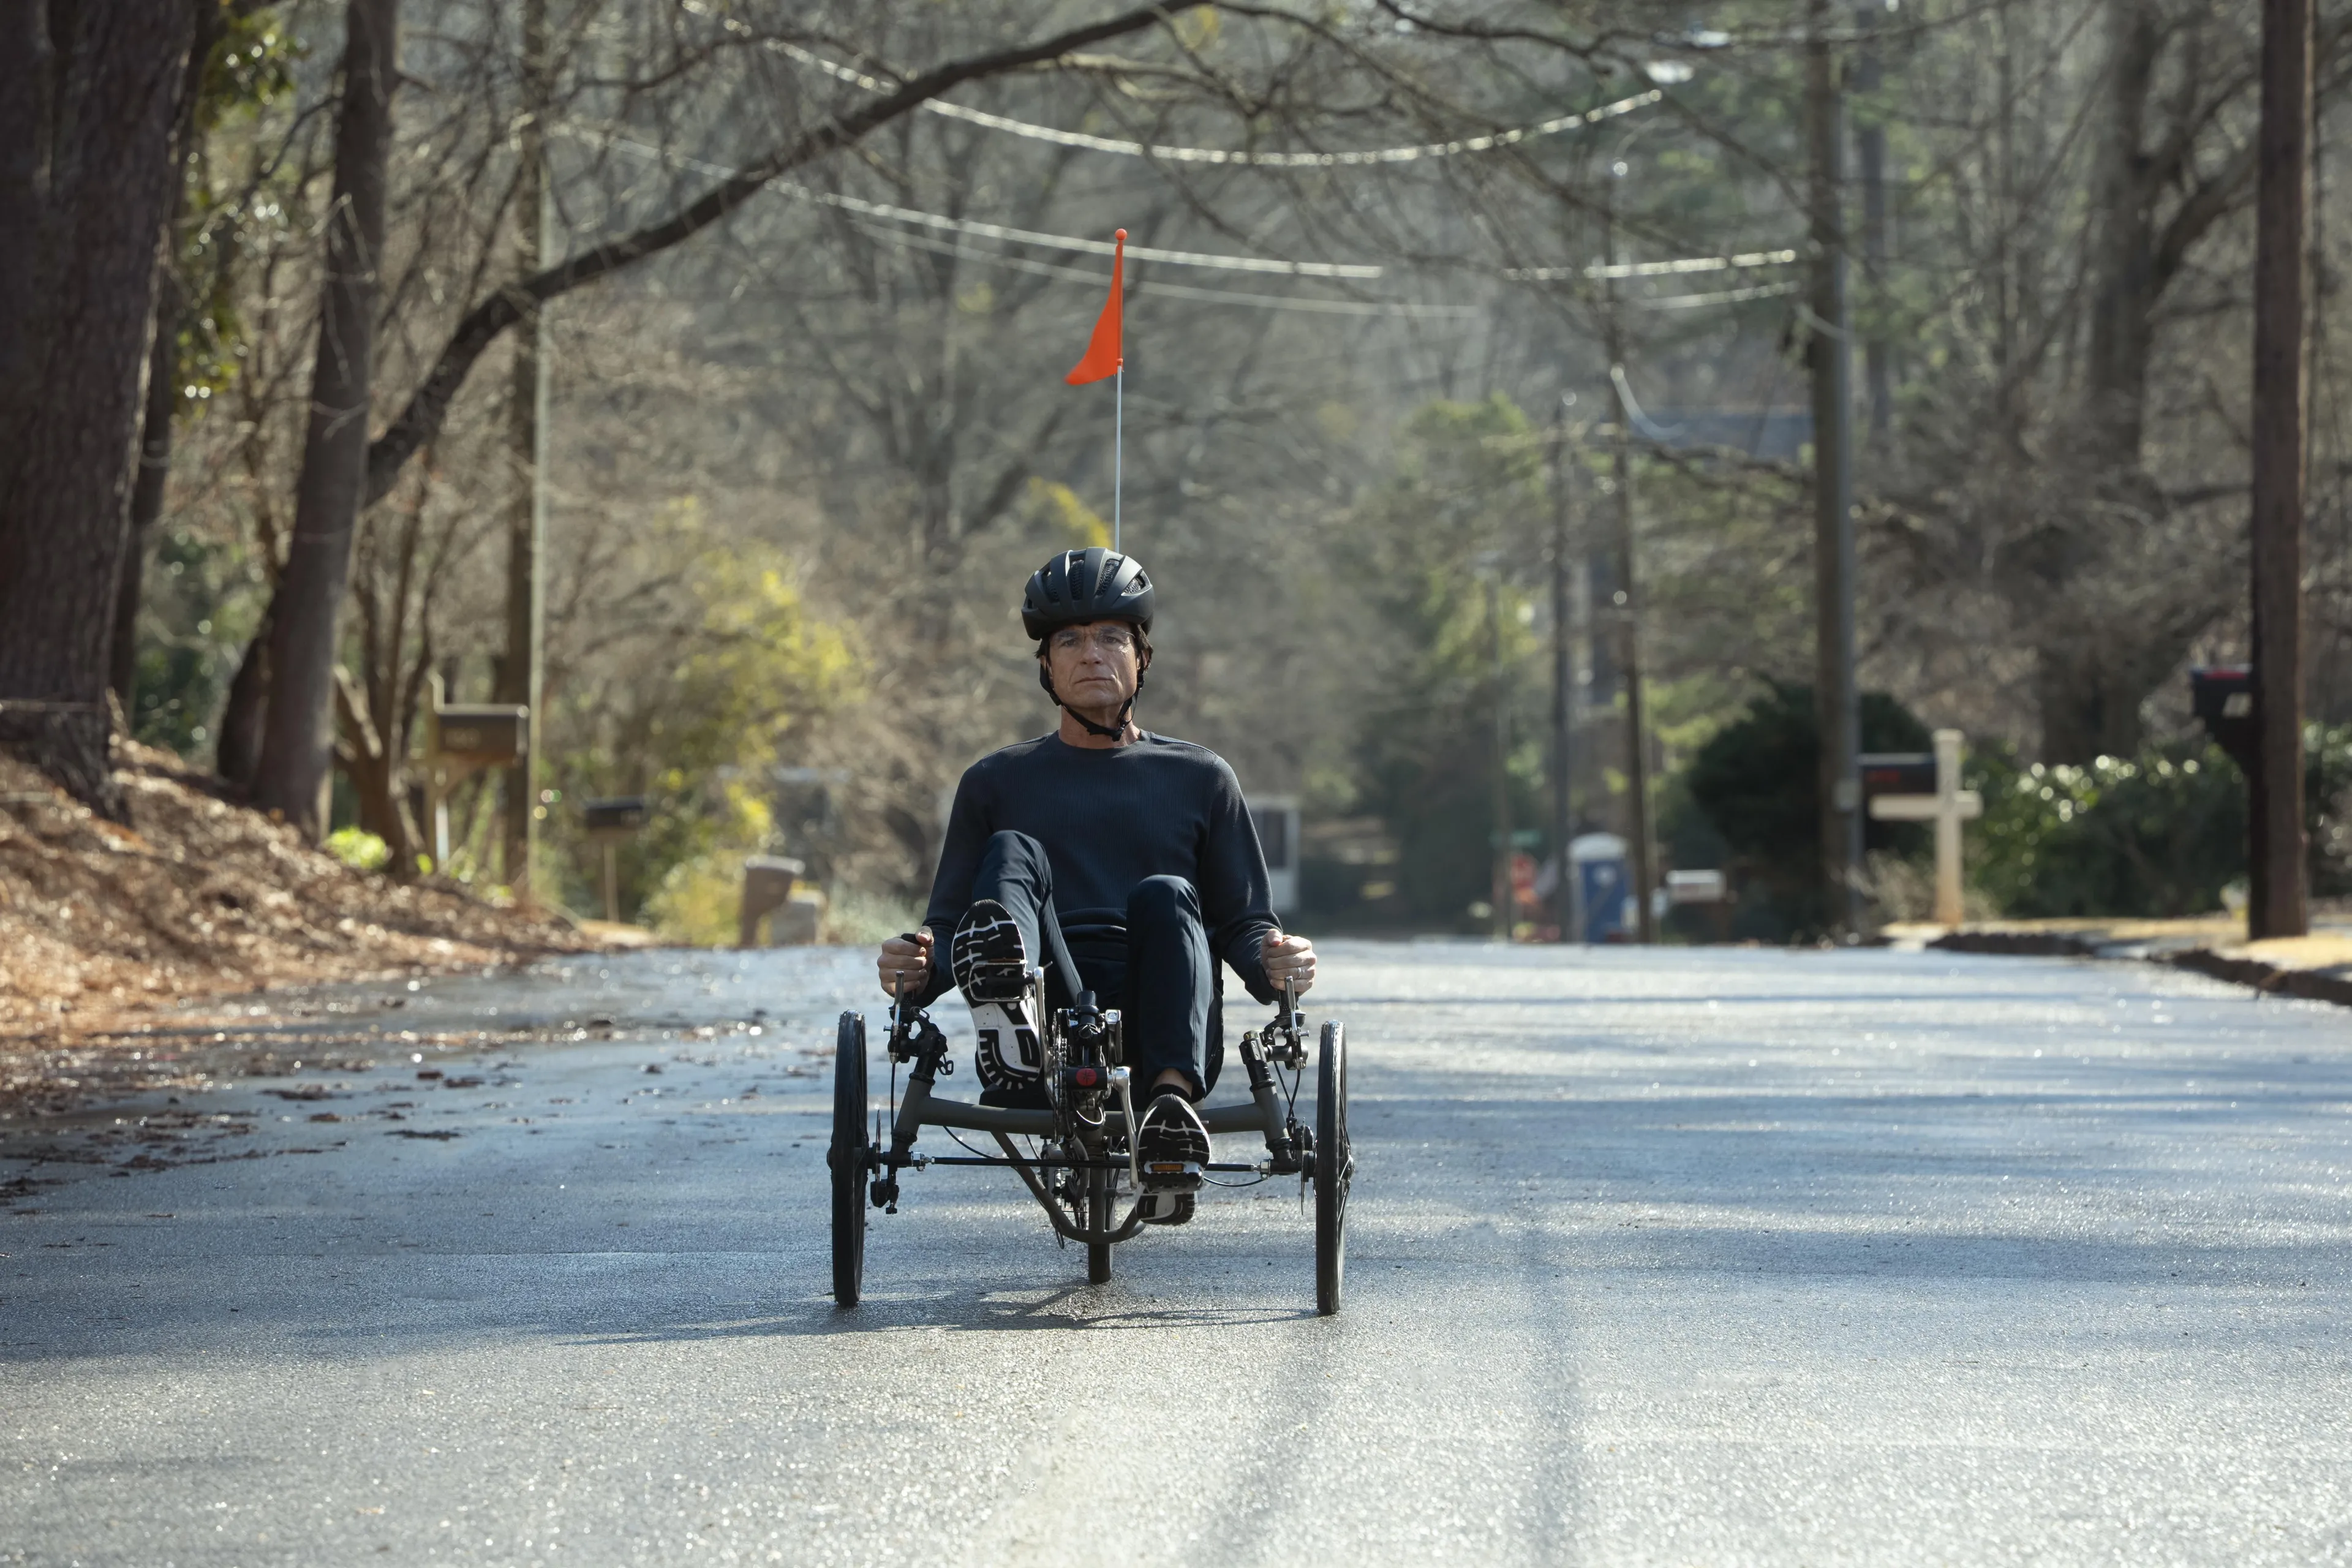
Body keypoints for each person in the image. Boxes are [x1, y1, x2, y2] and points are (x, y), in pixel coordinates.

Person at [875, 546, 1316, 1226]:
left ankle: (1169, 1113)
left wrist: (1277, 958)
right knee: (1012, 850)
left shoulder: (1201, 779)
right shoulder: (995, 782)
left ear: (1141, 657)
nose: (1092, 654)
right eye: (1071, 641)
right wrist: (920, 957)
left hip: (1160, 1005)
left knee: (1168, 892)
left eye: (1112, 637)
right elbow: (947, 918)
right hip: (1045, 1002)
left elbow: (1242, 923)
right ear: (1046, 666)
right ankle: (1010, 1013)